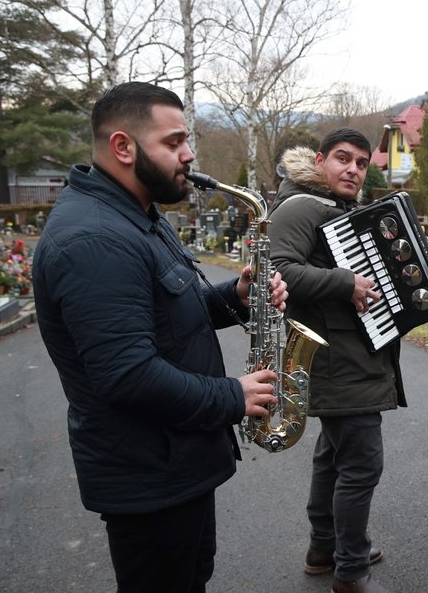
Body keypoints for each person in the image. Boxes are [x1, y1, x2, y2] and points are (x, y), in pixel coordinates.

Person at [33, 81, 288, 593]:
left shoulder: (138, 216)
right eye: (173, 143)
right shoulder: (95, 238)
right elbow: (127, 375)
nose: (189, 154)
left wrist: (235, 296)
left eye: (186, 140)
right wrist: (232, 396)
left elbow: (171, 314)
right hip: (149, 476)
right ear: (123, 147)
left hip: (174, 463)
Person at [269, 129, 428, 593]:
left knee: (333, 458)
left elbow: (378, 274)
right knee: (361, 464)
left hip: (353, 355)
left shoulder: (339, 212)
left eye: (361, 163)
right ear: (320, 160)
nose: (353, 170)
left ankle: (326, 549)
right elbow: (277, 268)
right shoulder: (300, 206)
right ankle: (351, 571)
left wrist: (420, 264)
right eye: (343, 159)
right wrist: (345, 284)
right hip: (336, 359)